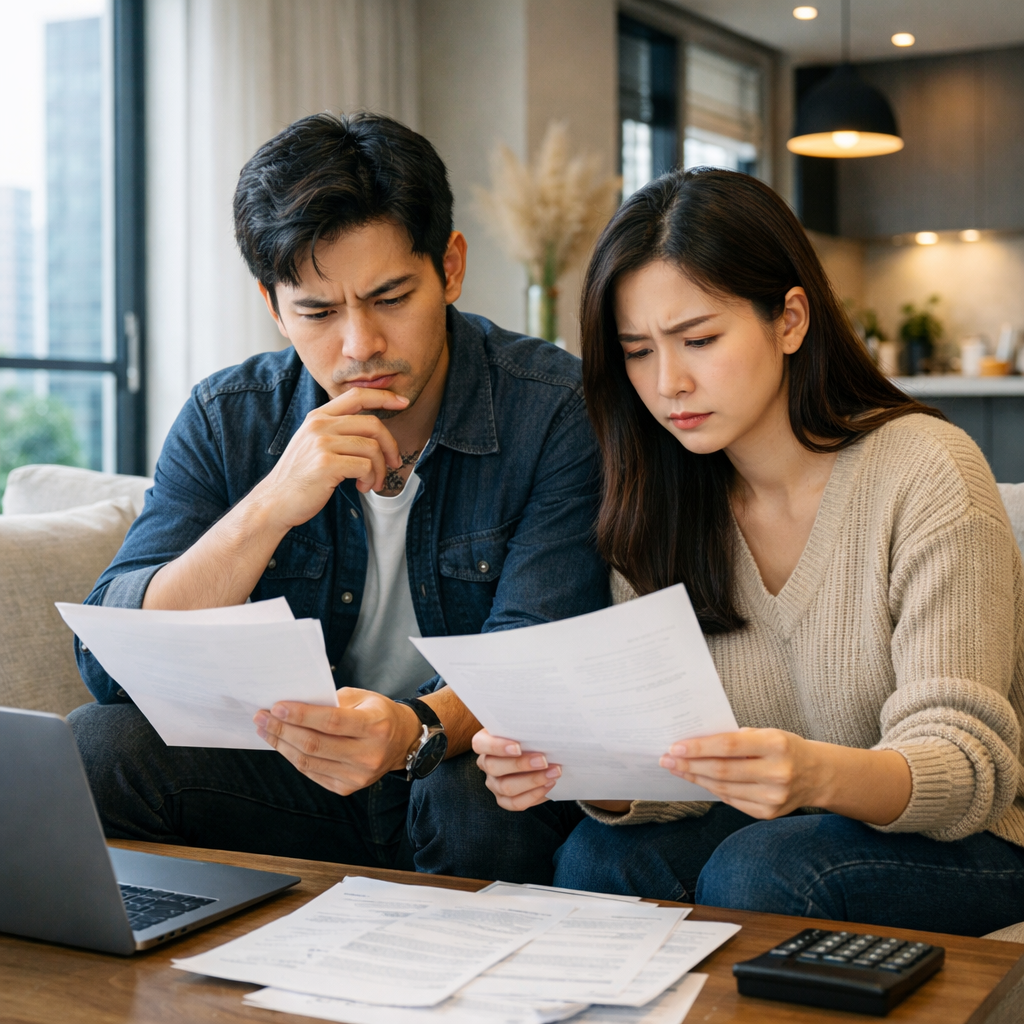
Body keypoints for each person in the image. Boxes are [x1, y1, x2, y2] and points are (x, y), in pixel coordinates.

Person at [430, 167, 1024, 936]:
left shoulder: (925, 470)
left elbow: (966, 768)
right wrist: (588, 776)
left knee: (762, 867)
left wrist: (816, 772)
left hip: (963, 841)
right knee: (599, 861)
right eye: (637, 351)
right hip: (785, 832)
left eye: (699, 339)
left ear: (790, 319)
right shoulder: (662, 500)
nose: (669, 382)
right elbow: (676, 766)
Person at [68, 112, 607, 871]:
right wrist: (271, 504)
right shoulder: (230, 417)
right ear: (272, 305)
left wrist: (410, 730)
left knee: (476, 793)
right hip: (294, 779)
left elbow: (536, 653)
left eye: (390, 297)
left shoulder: (554, 410)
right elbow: (109, 668)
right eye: (317, 312)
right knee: (96, 746)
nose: (360, 346)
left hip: (447, 759)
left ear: (449, 267)